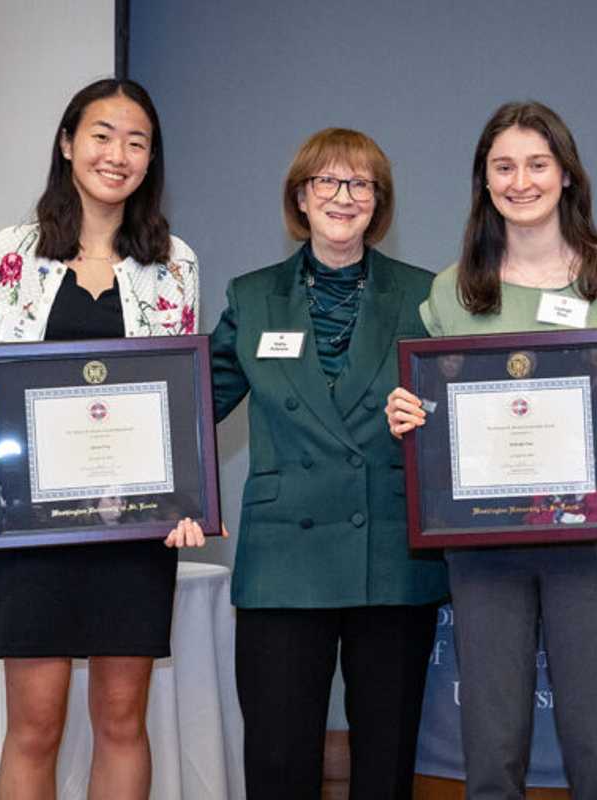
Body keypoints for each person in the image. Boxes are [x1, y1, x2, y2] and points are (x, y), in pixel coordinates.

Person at [386, 101, 597, 800]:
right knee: (492, 747)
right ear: (484, 180)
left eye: (538, 164)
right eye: (503, 166)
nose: (521, 181)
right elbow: (439, 418)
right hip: (485, 543)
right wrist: (410, 412)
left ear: (566, 174)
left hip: (590, 537)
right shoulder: (452, 291)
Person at [0, 78, 206, 800]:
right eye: (102, 134)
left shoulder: (175, 263)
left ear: (151, 159)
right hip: (33, 529)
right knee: (33, 727)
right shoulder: (8, 255)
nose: (118, 154)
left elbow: (178, 395)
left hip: (132, 528)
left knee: (123, 721)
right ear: (68, 143)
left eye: (137, 141)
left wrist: (186, 489)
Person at [188, 128, 448, 800]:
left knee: (386, 767)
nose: (343, 195)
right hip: (283, 563)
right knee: (277, 763)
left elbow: (456, 413)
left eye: (360, 183)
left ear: (378, 202)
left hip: (390, 558)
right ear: (300, 196)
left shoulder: (425, 296)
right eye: (326, 182)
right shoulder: (251, 298)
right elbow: (187, 411)